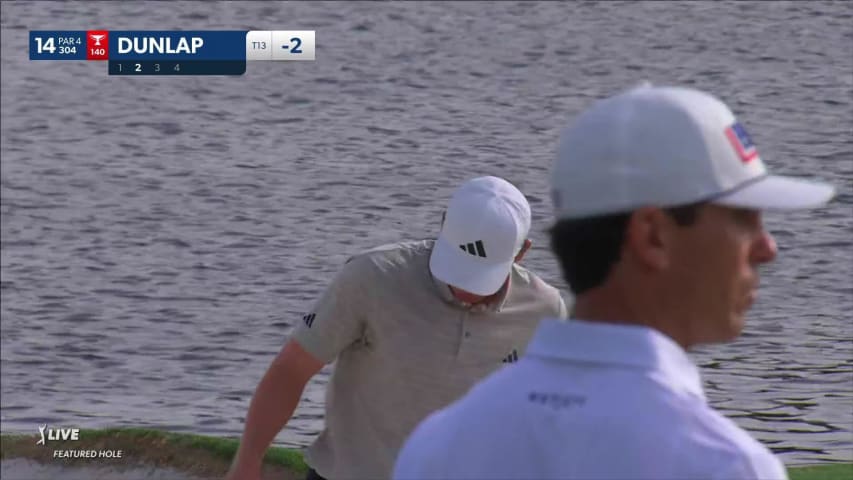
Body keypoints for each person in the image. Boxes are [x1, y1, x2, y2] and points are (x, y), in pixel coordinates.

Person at [393, 85, 836, 480]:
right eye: (743, 218)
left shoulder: (437, 445)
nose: (768, 247)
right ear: (652, 236)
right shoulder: (724, 466)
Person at [226, 175, 568, 480]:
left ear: (522, 252)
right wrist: (246, 464)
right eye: (457, 269)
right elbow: (291, 369)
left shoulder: (544, 311)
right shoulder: (373, 278)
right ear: (443, 223)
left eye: (480, 280)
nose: (464, 289)